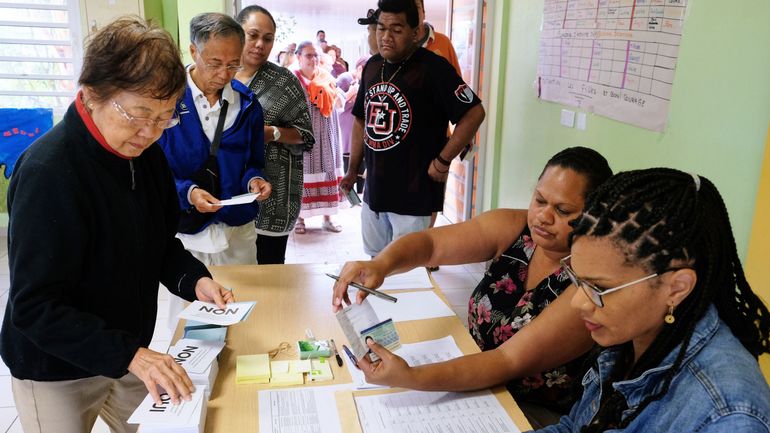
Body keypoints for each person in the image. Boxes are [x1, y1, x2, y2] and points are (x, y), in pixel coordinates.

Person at [0, 17, 235, 433]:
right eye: (138, 114)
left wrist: (194, 281)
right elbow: (34, 309)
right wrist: (132, 355)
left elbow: (159, 246)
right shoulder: (47, 172)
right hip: (55, 367)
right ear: (91, 94)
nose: (150, 133)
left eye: (165, 118)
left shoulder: (145, 157)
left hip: (126, 350)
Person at [333, 146, 613, 427]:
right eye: (539, 200)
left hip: (528, 410)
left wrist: (410, 376)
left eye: (563, 210)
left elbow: (506, 361)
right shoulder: (513, 227)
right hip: (472, 382)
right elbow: (431, 245)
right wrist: (381, 265)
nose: (543, 216)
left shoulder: (589, 282)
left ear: (594, 216)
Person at [537, 168, 770, 432]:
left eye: (599, 287)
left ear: (677, 288)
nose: (578, 302)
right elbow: (573, 428)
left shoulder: (727, 416)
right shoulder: (634, 336)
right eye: (577, 279)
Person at [341, 0, 485, 257]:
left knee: (408, 272)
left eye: (396, 30)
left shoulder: (434, 68)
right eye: (381, 28)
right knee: (374, 263)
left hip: (413, 194)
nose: (385, 37)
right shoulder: (373, 66)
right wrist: (353, 170)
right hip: (375, 191)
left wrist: (443, 161)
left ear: (415, 32)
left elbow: (474, 113)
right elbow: (361, 120)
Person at [158, 12, 272, 266]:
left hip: (237, 231)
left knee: (246, 302)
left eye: (234, 64)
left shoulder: (247, 104)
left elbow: (254, 162)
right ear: (193, 51)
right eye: (215, 63)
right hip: (187, 233)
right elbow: (154, 171)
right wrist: (188, 193)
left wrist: (255, 180)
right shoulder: (167, 100)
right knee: (190, 305)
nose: (224, 74)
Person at [235, 5, 315, 264]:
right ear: (237, 33)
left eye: (267, 39)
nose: (260, 44)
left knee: (267, 275)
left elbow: (306, 135)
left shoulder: (284, 82)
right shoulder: (217, 75)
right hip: (226, 192)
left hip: (272, 197)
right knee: (230, 278)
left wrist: (274, 133)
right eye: (253, 35)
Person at [294, 41, 344, 234]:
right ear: (299, 57)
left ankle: (328, 218)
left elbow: (339, 101)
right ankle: (300, 219)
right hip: (303, 137)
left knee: (327, 171)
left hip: (326, 135)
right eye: (308, 55)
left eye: (315, 55)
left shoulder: (326, 77)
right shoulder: (293, 80)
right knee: (303, 175)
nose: (313, 59)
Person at [336, 56, 369, 195]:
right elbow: (337, 104)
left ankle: (358, 197)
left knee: (360, 163)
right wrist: (351, 94)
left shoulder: (361, 82)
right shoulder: (345, 78)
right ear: (360, 68)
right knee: (348, 162)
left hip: (355, 129)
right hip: (346, 129)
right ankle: (348, 196)